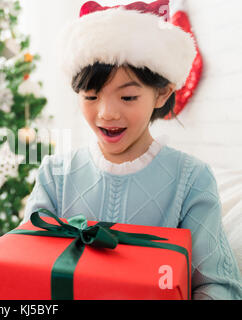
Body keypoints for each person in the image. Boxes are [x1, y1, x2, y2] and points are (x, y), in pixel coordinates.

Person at [23, 0, 242, 300]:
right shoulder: (54, 175)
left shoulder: (191, 179)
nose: (106, 113)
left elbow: (219, 286)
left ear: (161, 93)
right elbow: (25, 267)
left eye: (127, 97)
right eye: (90, 96)